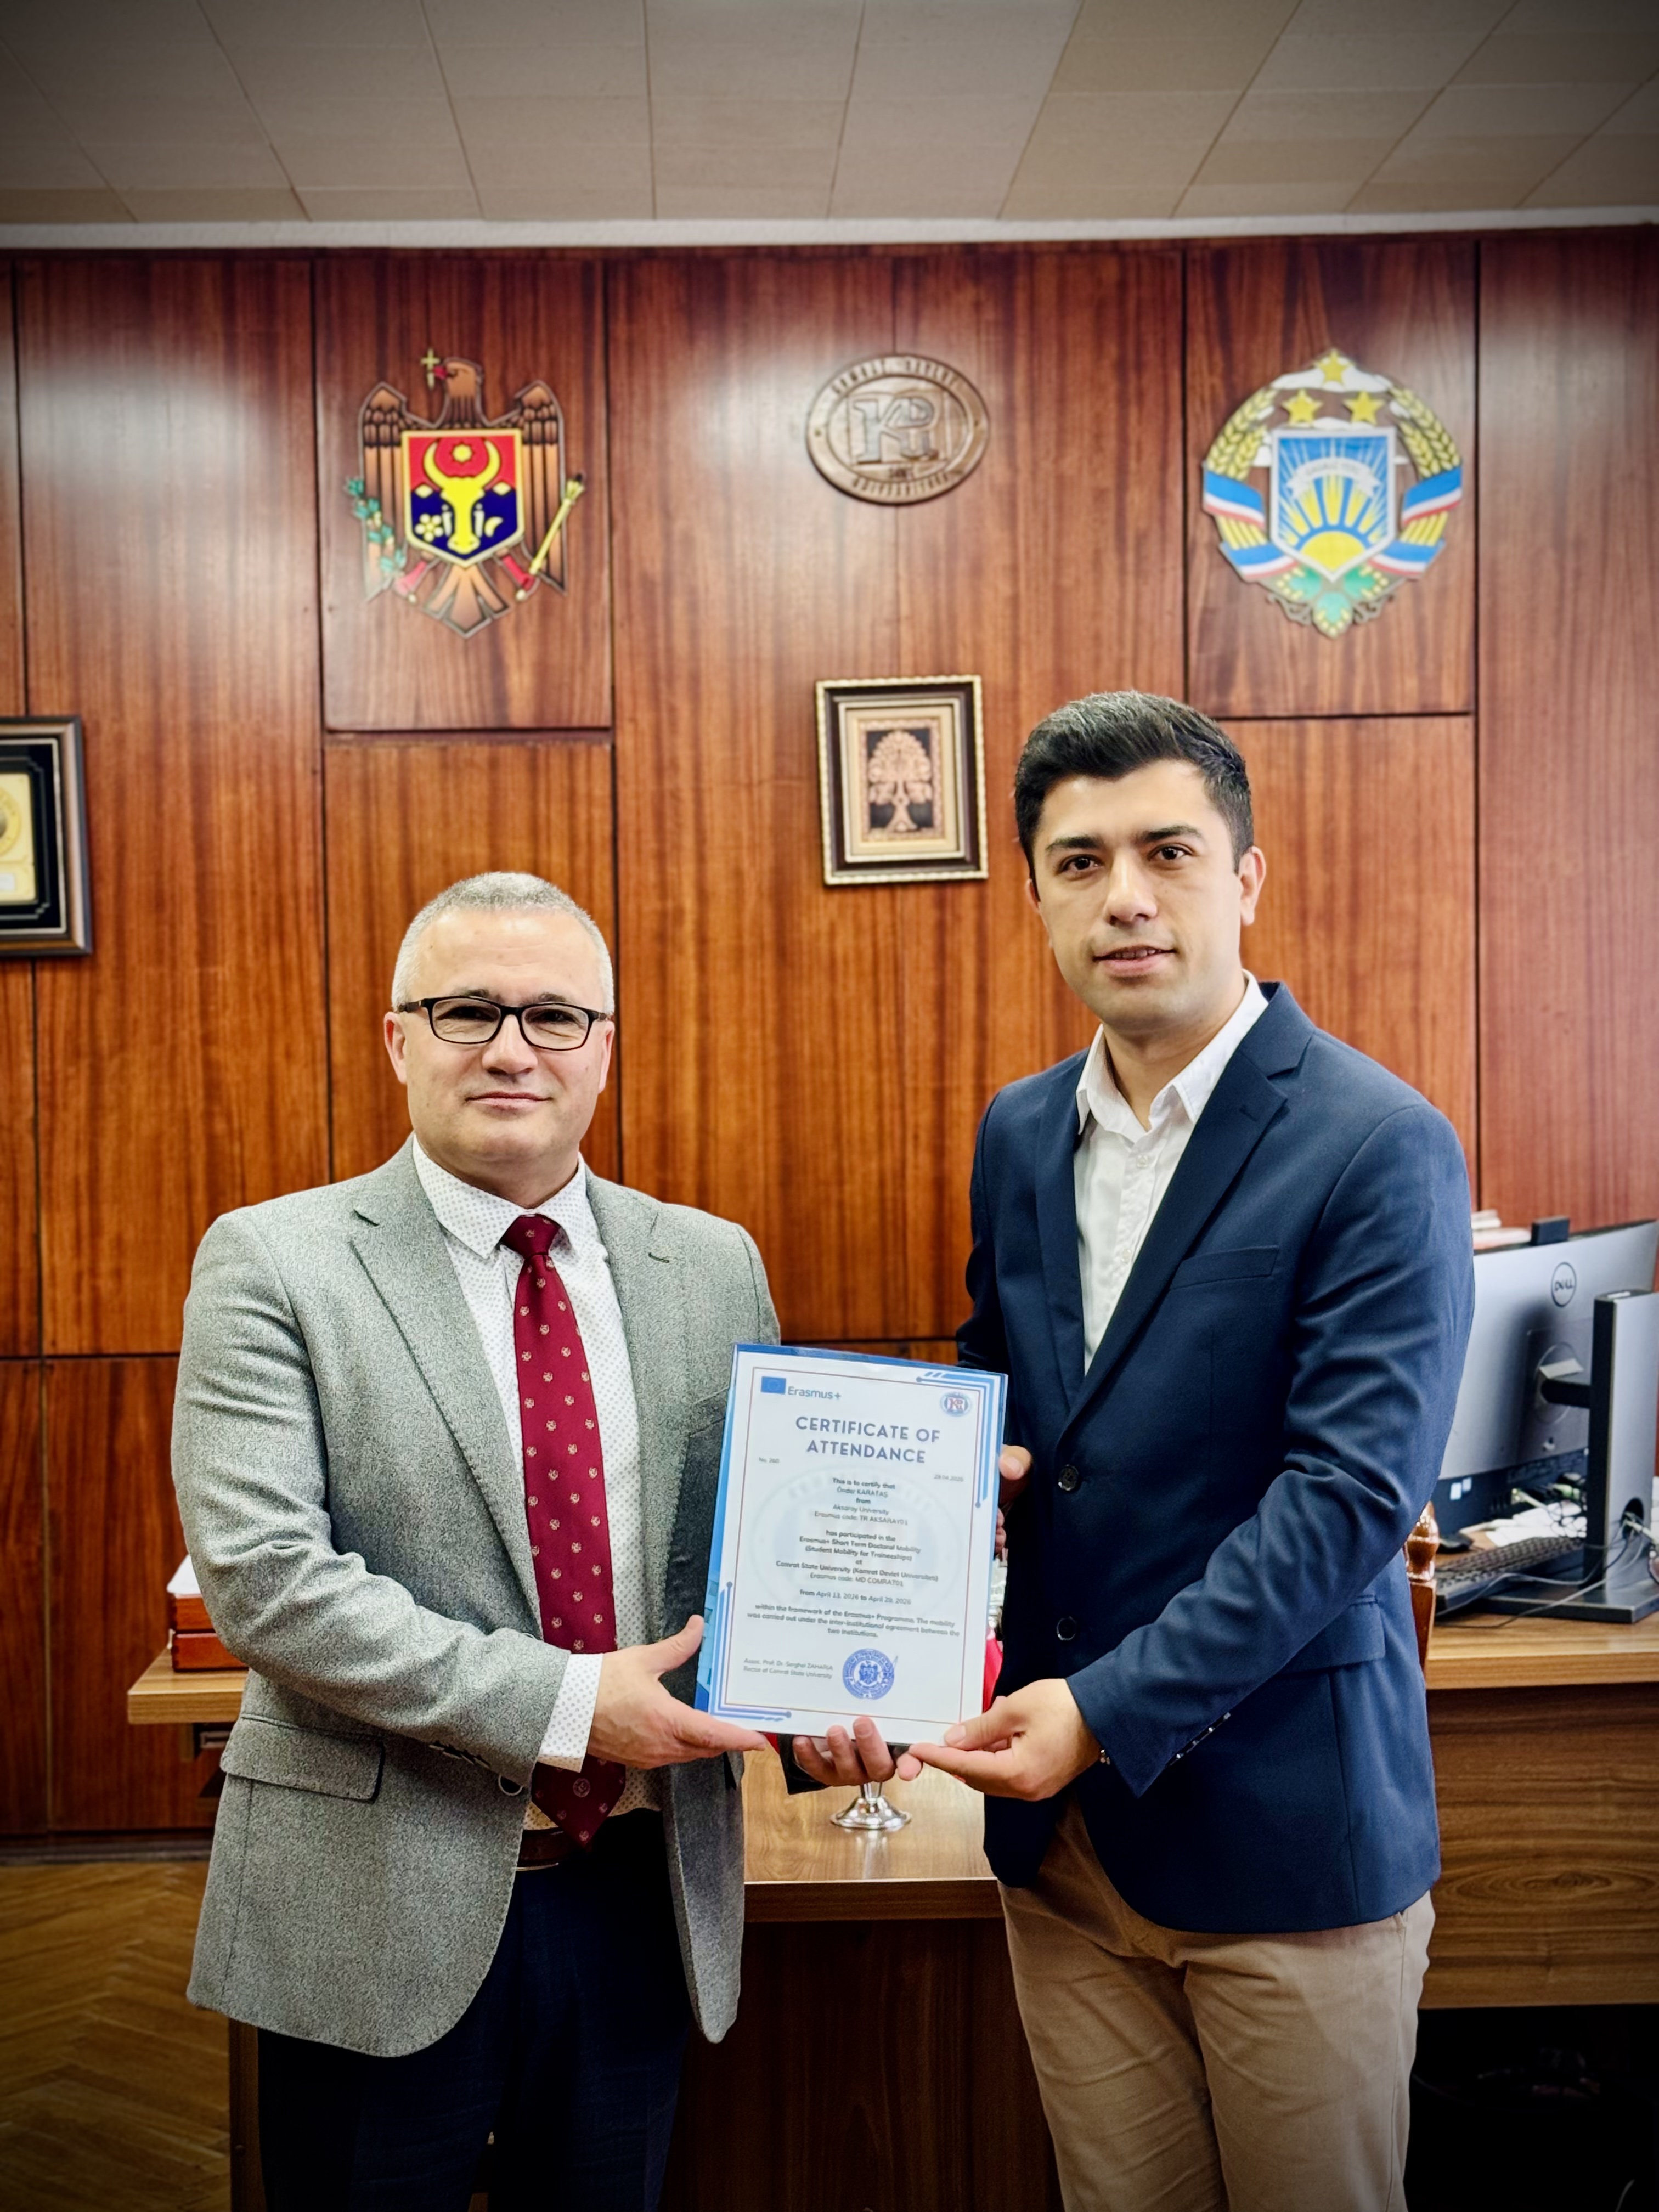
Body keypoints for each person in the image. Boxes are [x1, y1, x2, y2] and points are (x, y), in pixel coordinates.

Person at [907, 693, 1474, 2212]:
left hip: (1284, 1839)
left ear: (1247, 878)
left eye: (1168, 852)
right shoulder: (1019, 1132)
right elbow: (1003, 1403)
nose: (1126, 898)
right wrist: (900, 1574)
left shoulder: (1376, 1141)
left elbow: (1347, 1502)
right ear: (1037, 897)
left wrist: (1101, 1713)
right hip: (1067, 1855)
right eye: (1079, 862)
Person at [172, 871, 777, 2212]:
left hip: (638, 1899)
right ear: (399, 1040)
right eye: (468, 1012)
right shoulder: (275, 1262)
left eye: (555, 1015)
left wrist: (839, 1691)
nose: (513, 1048)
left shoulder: (712, 1265)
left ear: (603, 1048)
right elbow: (268, 1585)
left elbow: (753, 1556)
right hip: (372, 1907)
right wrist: (568, 1704)